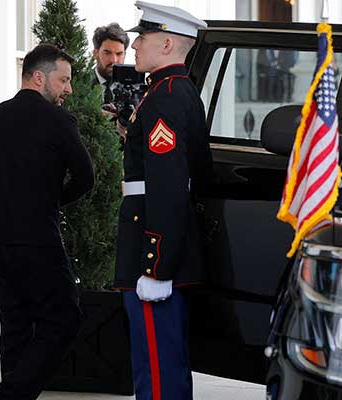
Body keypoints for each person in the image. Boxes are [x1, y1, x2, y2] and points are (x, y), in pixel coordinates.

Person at [0, 44, 95, 400]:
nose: (69, 89)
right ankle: (7, 397)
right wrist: (50, 202)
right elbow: (86, 177)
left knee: (16, 329)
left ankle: (10, 393)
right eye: (64, 80)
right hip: (39, 242)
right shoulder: (59, 121)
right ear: (39, 76)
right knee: (65, 320)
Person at [114, 2, 212, 399]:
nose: (134, 45)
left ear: (168, 42)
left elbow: (168, 187)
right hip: (159, 240)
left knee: (157, 368)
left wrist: (156, 266)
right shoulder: (170, 90)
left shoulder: (166, 97)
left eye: (143, 37)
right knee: (161, 362)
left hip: (153, 247)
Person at [93, 22, 130, 104]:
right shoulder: (80, 83)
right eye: (107, 53)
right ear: (95, 53)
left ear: (125, 55)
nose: (114, 60)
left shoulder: (134, 87)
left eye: (119, 54)